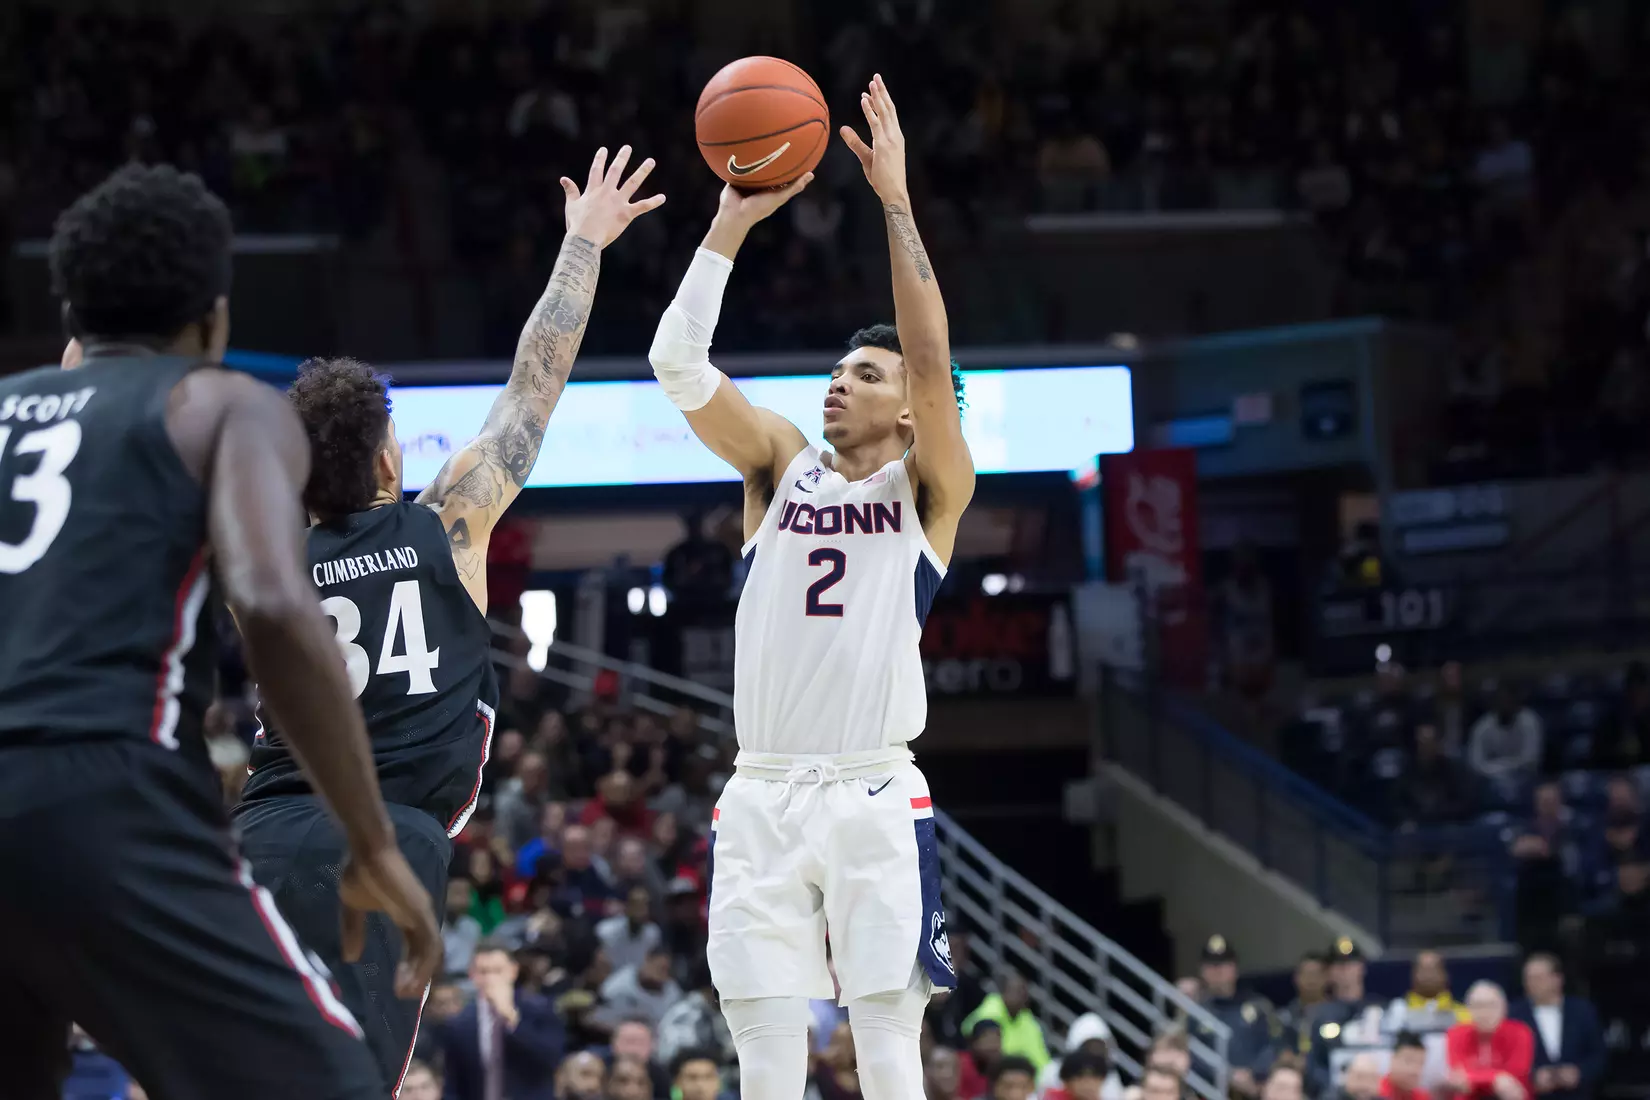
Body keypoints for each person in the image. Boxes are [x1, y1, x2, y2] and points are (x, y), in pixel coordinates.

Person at [0, 163, 440, 1099]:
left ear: (72, 310)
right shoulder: (220, 403)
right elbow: (277, 609)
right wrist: (370, 838)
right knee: (333, 1081)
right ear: (214, 318)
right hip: (99, 792)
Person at [235, 145, 664, 1092]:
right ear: (391, 459)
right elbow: (533, 387)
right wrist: (584, 243)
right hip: (386, 842)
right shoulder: (448, 524)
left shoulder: (256, 562)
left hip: (260, 837)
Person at [645, 76, 974, 1100]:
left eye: (865, 377)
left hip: (876, 784)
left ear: (911, 412)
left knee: (886, 1039)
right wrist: (727, 225)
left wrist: (896, 203)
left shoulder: (931, 485)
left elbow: (929, 357)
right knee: (764, 1045)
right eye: (837, 371)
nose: (841, 382)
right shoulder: (776, 464)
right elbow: (675, 360)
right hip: (764, 784)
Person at [442, 939, 567, 1100]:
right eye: (483, 972)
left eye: (497, 971)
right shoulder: (460, 1023)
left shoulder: (541, 1010)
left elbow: (550, 1059)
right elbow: (453, 1083)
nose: (490, 979)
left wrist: (512, 1019)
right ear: (472, 975)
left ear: (513, 971)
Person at [1509, 953, 1605, 1100]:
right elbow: (1507, 1059)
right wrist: (1533, 1076)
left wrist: (1579, 1073)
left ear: (1557, 979)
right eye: (1528, 978)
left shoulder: (1582, 1011)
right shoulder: (1514, 1014)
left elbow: (1599, 1055)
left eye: (1538, 978)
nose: (1531, 983)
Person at [1191, 935, 1277, 1096]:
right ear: (1201, 971)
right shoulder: (1193, 1010)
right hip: (1207, 1092)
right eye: (1211, 965)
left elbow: (1272, 1044)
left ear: (1235, 969)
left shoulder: (1258, 1006)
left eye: (1224, 964)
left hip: (1254, 1089)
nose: (1218, 971)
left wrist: (1253, 1073)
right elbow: (1190, 1053)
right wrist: (1227, 1075)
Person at [1445, 981, 1534, 1099]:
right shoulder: (1455, 1034)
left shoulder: (1520, 1032)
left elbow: (1517, 1073)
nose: (1484, 1012)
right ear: (1468, 1010)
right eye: (1478, 1006)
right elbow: (1459, 1076)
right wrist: (1497, 1077)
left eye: (1491, 1005)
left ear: (1504, 1008)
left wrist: (1477, 1078)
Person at [962, 972, 1052, 1071]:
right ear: (1003, 992)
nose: (1019, 996)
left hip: (1023, 1075)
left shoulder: (1028, 1019)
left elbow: (1041, 1059)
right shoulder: (989, 1012)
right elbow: (988, 1051)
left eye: (1023, 992)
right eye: (1014, 991)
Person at [1388, 950, 1471, 1029]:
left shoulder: (1462, 1013)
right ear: (1413, 975)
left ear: (1445, 975)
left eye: (1433, 970)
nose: (1429, 975)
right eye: (1423, 970)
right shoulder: (1398, 1011)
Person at [1380, 1031, 1430, 1100]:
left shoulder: (1421, 1096)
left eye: (1421, 1064)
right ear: (1392, 1060)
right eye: (1409, 1061)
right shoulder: (1375, 1092)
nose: (1415, 1071)